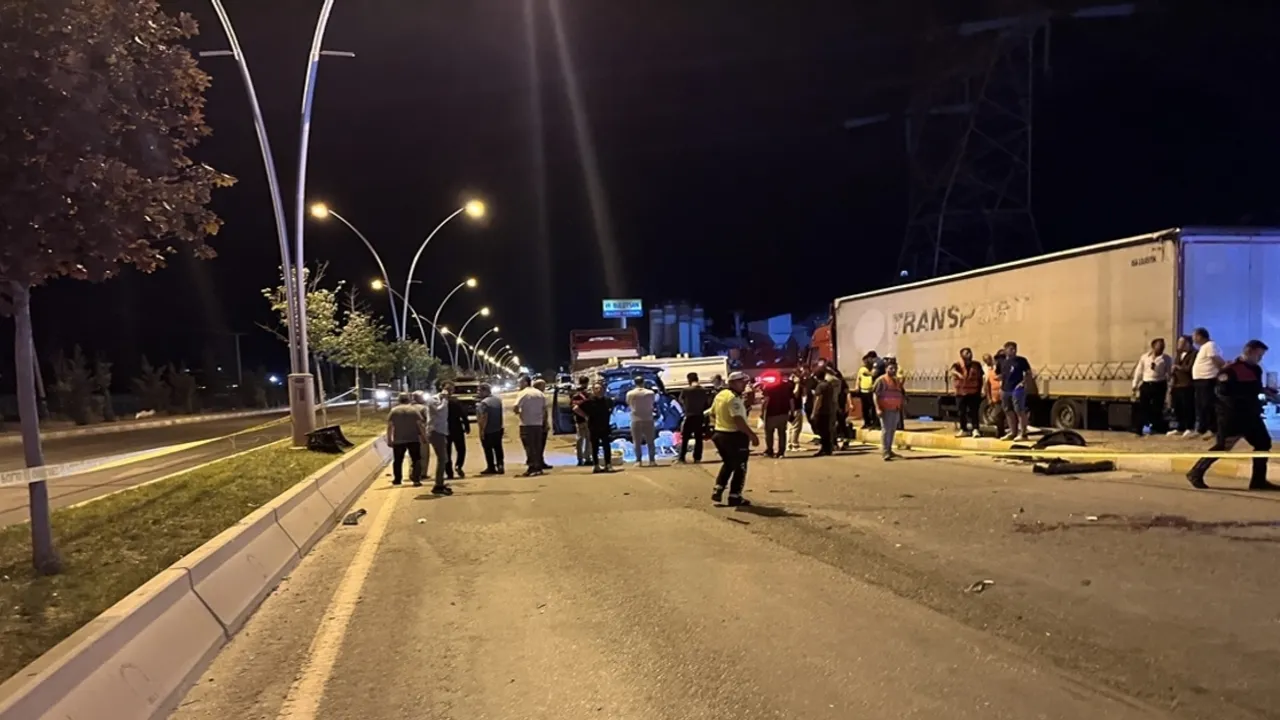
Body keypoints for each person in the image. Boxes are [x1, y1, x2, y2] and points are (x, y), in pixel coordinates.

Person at [1186, 340, 1280, 491]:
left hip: (1251, 416)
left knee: (1263, 444)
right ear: (1249, 352)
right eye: (1259, 355)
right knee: (1223, 446)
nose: (1260, 359)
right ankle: (1196, 472)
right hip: (1233, 416)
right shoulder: (1230, 370)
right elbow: (1222, 393)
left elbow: (1255, 389)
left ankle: (1258, 481)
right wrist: (1241, 406)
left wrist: (1268, 393)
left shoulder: (1256, 369)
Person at [709, 371, 759, 506]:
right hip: (734, 436)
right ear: (733, 383)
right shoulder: (733, 398)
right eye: (742, 382)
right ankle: (735, 496)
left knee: (729, 463)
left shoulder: (721, 395)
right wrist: (752, 435)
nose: (744, 385)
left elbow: (712, 413)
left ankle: (718, 489)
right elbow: (738, 420)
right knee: (740, 466)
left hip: (720, 434)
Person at [1131, 338, 1172, 437]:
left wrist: (1170, 386)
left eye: (1163, 346)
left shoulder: (1166, 358)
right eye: (1159, 345)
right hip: (1146, 383)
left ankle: (1153, 427)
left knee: (1156, 408)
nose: (1161, 348)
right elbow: (1139, 371)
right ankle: (1142, 428)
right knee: (1144, 407)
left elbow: (1169, 372)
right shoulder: (1145, 357)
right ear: (1153, 346)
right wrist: (1135, 384)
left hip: (1159, 384)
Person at [387, 393, 427, 487]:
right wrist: (424, 437)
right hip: (413, 439)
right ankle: (416, 479)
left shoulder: (394, 411)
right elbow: (420, 425)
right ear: (409, 400)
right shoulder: (414, 410)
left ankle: (397, 479)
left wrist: (389, 439)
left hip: (398, 440)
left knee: (398, 460)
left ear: (399, 400)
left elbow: (390, 426)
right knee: (416, 459)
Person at [1191, 327, 1225, 437]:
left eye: (1194, 336)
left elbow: (1216, 360)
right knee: (1201, 406)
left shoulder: (1210, 345)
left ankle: (1212, 429)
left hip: (1207, 379)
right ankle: (1202, 429)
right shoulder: (1204, 347)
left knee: (1207, 405)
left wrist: (1223, 370)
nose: (1193, 338)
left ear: (1200, 336)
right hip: (1200, 380)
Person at [514, 375, 548, 476]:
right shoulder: (539, 393)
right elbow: (544, 409)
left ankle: (532, 467)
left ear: (525, 382)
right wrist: (544, 422)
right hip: (538, 424)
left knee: (529, 446)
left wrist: (519, 413)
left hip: (526, 424)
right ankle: (538, 467)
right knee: (537, 446)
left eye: (520, 382)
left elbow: (516, 407)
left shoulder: (523, 393)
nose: (519, 385)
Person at [421, 387, 453, 495]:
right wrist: (445, 400)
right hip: (435, 431)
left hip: (442, 431)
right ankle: (438, 485)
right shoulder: (433, 400)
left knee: (444, 458)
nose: (451, 393)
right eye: (449, 390)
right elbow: (440, 411)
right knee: (442, 459)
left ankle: (440, 482)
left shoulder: (443, 400)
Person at [998, 342, 1032, 441]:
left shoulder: (1021, 360)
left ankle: (1023, 434)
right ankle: (1013, 432)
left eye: (1014, 349)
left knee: (1019, 410)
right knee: (1008, 410)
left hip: (1017, 389)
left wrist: (1023, 383)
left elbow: (1028, 373)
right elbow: (999, 374)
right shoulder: (1002, 362)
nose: (1013, 351)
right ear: (1005, 350)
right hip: (1005, 389)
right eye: (1011, 349)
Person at [873, 360, 906, 461]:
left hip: (895, 409)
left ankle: (889, 449)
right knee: (886, 430)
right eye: (891, 368)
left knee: (892, 430)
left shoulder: (896, 381)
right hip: (885, 409)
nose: (893, 370)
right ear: (886, 369)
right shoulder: (881, 380)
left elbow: (899, 392)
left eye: (895, 368)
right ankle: (885, 452)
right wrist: (878, 408)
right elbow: (875, 395)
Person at [581, 381, 617, 473]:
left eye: (600, 388)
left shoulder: (608, 400)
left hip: (605, 426)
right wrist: (585, 416)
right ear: (593, 390)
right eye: (596, 388)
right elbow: (576, 408)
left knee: (606, 446)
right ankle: (596, 465)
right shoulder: (589, 401)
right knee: (595, 447)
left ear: (604, 390)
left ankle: (608, 464)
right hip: (593, 427)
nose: (599, 390)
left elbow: (611, 408)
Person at [950, 348, 984, 438]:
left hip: (973, 392)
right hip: (961, 393)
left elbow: (980, 377)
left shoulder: (976, 365)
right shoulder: (957, 365)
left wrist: (980, 390)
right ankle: (963, 429)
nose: (969, 354)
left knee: (974, 412)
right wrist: (958, 374)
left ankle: (975, 429)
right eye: (967, 353)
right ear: (962, 355)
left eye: (970, 352)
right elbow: (952, 371)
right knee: (961, 412)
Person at [626, 375, 658, 466]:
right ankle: (652, 460)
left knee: (636, 441)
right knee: (650, 441)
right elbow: (653, 402)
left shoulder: (630, 393)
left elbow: (628, 403)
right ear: (643, 382)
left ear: (634, 383)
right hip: (648, 418)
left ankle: (638, 460)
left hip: (635, 418)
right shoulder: (650, 393)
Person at [678, 372, 710, 463]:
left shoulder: (686, 390)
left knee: (685, 437)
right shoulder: (703, 390)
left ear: (689, 380)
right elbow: (707, 403)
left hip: (689, 415)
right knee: (698, 437)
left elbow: (680, 400)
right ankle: (697, 457)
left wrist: (686, 406)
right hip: (699, 416)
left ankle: (682, 457)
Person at [761, 371, 795, 457]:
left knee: (769, 433)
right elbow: (791, 400)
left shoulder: (769, 387)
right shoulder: (788, 386)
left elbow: (766, 401)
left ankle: (770, 450)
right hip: (784, 413)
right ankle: (781, 451)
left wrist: (762, 412)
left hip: (771, 414)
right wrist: (792, 411)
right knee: (782, 433)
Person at [1169, 334, 1196, 437]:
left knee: (1187, 407)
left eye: (1182, 342)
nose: (1179, 344)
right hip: (1177, 384)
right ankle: (1180, 427)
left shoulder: (1194, 353)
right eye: (1179, 342)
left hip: (1187, 384)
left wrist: (1177, 367)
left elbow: (1189, 368)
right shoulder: (1178, 354)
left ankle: (1189, 427)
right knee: (1178, 407)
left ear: (1188, 343)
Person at [475, 383, 505, 475]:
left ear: (485, 391)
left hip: (488, 430)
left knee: (488, 449)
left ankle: (491, 467)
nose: (478, 393)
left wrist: (482, 430)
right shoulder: (497, 400)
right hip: (498, 428)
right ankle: (500, 465)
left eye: (479, 390)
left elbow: (484, 417)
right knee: (498, 448)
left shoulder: (484, 403)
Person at [444, 382, 471, 478]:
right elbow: (463, 415)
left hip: (444, 428)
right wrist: (467, 426)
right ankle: (458, 465)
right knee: (461, 449)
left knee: (446, 451)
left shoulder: (439, 401)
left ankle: (449, 472)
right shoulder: (455, 401)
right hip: (457, 428)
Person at [810, 367, 839, 456]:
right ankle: (828, 449)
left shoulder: (820, 386)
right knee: (827, 430)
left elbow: (818, 399)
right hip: (828, 410)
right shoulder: (829, 385)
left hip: (821, 411)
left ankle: (825, 448)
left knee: (821, 430)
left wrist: (814, 412)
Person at [570, 376, 592, 466]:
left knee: (580, 439)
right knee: (588, 439)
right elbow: (576, 408)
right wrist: (586, 416)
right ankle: (587, 458)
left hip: (579, 420)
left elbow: (574, 407)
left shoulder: (574, 394)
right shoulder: (588, 394)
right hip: (587, 420)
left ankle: (580, 459)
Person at [532, 378, 552, 471]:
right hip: (540, 423)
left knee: (538, 444)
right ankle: (538, 461)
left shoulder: (535, 396)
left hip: (536, 422)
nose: (544, 388)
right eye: (543, 386)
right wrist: (545, 423)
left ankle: (539, 460)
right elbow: (543, 411)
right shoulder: (540, 396)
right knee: (540, 443)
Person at [857, 353, 879, 430]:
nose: (865, 363)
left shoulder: (873, 369)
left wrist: (869, 373)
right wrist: (857, 386)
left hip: (871, 391)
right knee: (865, 408)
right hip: (863, 391)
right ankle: (867, 422)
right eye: (864, 362)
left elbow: (874, 374)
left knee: (872, 408)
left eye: (867, 361)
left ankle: (874, 423)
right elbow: (859, 378)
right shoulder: (861, 369)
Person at [786, 372, 806, 452]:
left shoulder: (788, 385)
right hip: (795, 408)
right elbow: (795, 395)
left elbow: (804, 394)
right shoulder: (792, 385)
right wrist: (797, 384)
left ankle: (789, 444)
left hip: (791, 408)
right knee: (796, 427)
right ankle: (795, 445)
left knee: (790, 427)